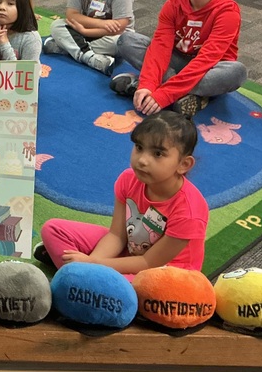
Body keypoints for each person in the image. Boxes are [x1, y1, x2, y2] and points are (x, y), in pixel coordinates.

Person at [37, 112, 208, 278]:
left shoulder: (190, 211)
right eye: (139, 147)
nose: (142, 160)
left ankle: (79, 277)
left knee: (130, 288)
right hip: (130, 252)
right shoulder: (128, 179)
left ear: (184, 164)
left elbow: (149, 263)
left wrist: (93, 264)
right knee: (53, 230)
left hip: (164, 274)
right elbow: (117, 236)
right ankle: (83, 278)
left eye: (158, 154)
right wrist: (92, 263)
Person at [110, 0, 247, 117]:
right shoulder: (173, 5)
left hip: (209, 69)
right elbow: (160, 47)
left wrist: (162, 95)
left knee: (237, 72)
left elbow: (207, 59)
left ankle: (163, 87)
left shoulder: (228, 12)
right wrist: (147, 84)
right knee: (127, 41)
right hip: (176, 60)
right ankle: (192, 96)